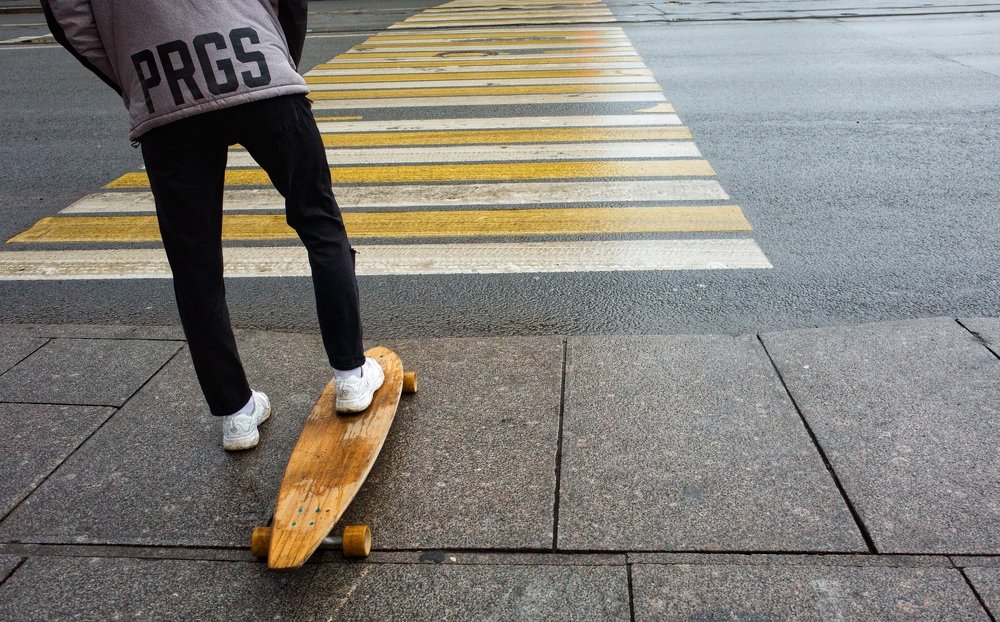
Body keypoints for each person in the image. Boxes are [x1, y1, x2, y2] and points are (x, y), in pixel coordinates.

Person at [42, 0, 384, 451]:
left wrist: (137, 75)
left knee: (194, 267)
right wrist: (276, 55)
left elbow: (70, 20)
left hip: (163, 88)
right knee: (319, 223)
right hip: (258, 65)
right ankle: (350, 376)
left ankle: (236, 413)